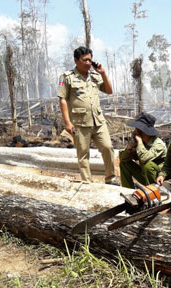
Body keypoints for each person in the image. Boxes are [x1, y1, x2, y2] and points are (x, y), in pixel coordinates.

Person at [58, 46, 117, 185]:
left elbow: (109, 91)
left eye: (90, 60)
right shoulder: (67, 77)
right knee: (83, 154)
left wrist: (103, 73)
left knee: (107, 147)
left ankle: (110, 178)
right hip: (80, 123)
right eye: (85, 60)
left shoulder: (95, 76)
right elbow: (62, 99)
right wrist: (67, 123)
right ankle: (87, 182)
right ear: (76, 60)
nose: (88, 63)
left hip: (98, 121)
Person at [119, 112, 167, 189]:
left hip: (159, 180)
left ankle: (153, 192)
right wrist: (129, 148)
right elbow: (123, 159)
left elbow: (145, 159)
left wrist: (140, 142)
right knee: (124, 163)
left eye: (137, 129)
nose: (135, 131)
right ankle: (128, 190)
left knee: (148, 165)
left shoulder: (158, 144)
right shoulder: (138, 143)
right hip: (144, 176)